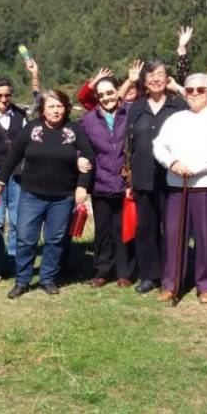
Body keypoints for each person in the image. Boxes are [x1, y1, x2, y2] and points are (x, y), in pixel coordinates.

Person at [0, 89, 95, 298]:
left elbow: (88, 157)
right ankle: (22, 281)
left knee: (55, 240)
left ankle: (48, 278)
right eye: (51, 106)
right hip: (31, 195)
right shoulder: (32, 129)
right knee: (25, 239)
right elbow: (13, 155)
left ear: (66, 108)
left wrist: (82, 185)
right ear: (42, 109)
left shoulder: (73, 130)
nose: (56, 111)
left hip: (63, 197)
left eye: (59, 106)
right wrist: (1, 181)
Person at [153, 74, 207, 304]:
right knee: (173, 235)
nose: (194, 94)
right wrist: (173, 163)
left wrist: (197, 168)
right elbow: (159, 145)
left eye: (200, 89)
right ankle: (171, 283)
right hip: (178, 185)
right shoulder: (175, 118)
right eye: (189, 90)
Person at [125, 55, 188, 294]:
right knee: (146, 228)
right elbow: (128, 145)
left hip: (171, 177)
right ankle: (149, 275)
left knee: (171, 228)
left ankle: (171, 274)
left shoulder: (178, 105)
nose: (155, 79)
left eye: (160, 74)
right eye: (150, 76)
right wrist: (129, 178)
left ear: (167, 78)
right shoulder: (136, 108)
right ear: (144, 81)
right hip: (142, 177)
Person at [0, 72, 37, 281]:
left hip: (18, 173)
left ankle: (13, 260)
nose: (4, 100)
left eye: (7, 95)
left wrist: (34, 77)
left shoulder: (20, 115)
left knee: (16, 220)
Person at [79, 74, 133, 288]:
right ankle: (103, 270)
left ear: (117, 92)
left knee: (124, 229)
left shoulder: (130, 113)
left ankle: (124, 272)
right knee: (102, 230)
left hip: (124, 183)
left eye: (110, 92)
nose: (106, 97)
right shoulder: (88, 120)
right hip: (101, 182)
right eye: (101, 95)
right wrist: (80, 160)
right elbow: (81, 147)